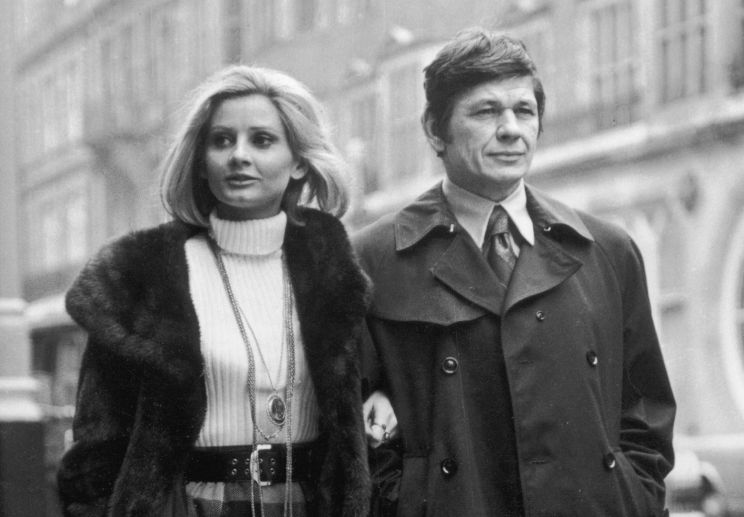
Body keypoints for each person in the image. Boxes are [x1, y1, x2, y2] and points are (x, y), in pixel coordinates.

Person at [354, 28, 676, 516]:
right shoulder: (373, 261)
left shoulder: (607, 250)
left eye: (524, 111)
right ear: (435, 129)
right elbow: (350, 432)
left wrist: (632, 496)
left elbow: (647, 413)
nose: (510, 129)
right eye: (486, 112)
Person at [57, 65, 371, 517]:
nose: (238, 155)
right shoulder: (142, 277)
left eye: (262, 140)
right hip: (190, 505)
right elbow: (95, 451)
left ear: (299, 161)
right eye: (222, 140)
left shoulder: (333, 272)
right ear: (201, 162)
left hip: (306, 503)